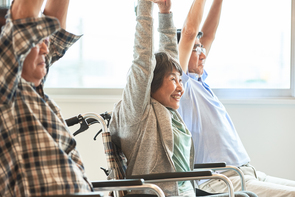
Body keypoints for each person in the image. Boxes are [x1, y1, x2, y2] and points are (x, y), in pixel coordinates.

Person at [109, 0, 256, 197]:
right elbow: (142, 59)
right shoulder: (138, 112)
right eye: (173, 80)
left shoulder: (170, 111)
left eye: (181, 80)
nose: (181, 87)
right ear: (152, 82)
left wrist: (165, 10)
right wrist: (145, 4)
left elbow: (170, 53)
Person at [177, 0, 295, 196]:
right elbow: (189, 33)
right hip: (220, 181)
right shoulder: (183, 86)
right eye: (196, 49)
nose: (203, 55)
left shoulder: (200, 82)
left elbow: (210, 34)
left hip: (247, 172)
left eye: (202, 49)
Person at [0, 0, 92, 196]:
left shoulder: (33, 88)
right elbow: (22, 18)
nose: (45, 49)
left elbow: (54, 25)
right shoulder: (6, 94)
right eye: (35, 41)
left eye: (45, 41)